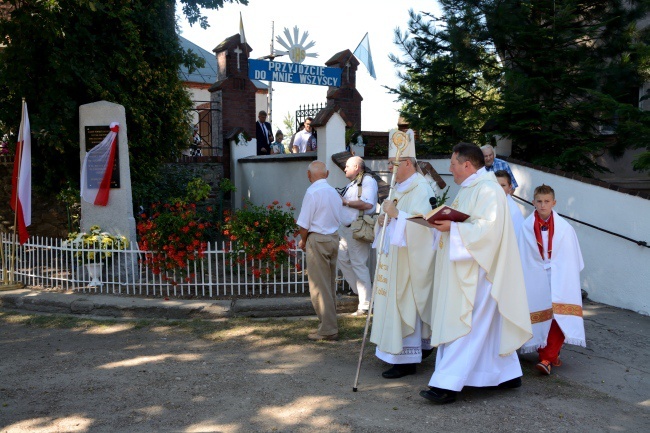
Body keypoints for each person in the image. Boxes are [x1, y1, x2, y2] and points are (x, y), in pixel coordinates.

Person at [421, 142, 532, 404]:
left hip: (481, 272)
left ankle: (446, 384)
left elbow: (488, 230)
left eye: (453, 164)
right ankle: (506, 374)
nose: (450, 169)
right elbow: (468, 221)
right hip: (468, 267)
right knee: (486, 326)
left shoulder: (489, 189)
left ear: (467, 165)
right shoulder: (471, 188)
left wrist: (454, 229)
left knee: (466, 325)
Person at [369, 129, 437, 379]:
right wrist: (382, 220)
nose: (389, 167)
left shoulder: (421, 188)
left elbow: (427, 226)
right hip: (393, 258)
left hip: (409, 261)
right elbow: (390, 217)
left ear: (406, 163)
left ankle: (406, 358)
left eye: (392, 163)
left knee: (405, 303)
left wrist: (398, 216)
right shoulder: (399, 187)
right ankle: (397, 350)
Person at [518, 184, 585, 375]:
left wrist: (564, 273)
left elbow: (575, 260)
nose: (543, 205)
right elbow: (521, 254)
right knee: (538, 312)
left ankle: (547, 357)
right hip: (534, 276)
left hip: (560, 276)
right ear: (533, 202)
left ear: (554, 203)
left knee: (559, 313)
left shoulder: (565, 229)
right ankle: (548, 355)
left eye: (547, 201)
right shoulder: (525, 227)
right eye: (539, 201)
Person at [296, 161, 342, 341]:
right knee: (329, 284)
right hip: (333, 237)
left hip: (318, 239)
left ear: (309, 175)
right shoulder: (334, 192)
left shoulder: (312, 192)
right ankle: (329, 325)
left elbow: (303, 224)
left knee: (318, 286)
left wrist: (304, 240)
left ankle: (328, 329)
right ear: (327, 173)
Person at [338, 156, 378, 316]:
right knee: (342, 259)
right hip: (347, 229)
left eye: (347, 166)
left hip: (358, 228)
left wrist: (345, 202)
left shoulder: (368, 181)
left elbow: (368, 204)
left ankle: (365, 304)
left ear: (356, 167)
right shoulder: (354, 183)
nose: (345, 169)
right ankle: (360, 292)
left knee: (358, 264)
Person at [495, 170, 524, 237]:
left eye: (503, 185)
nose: (499, 188)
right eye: (496, 184)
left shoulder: (512, 210)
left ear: (510, 187)